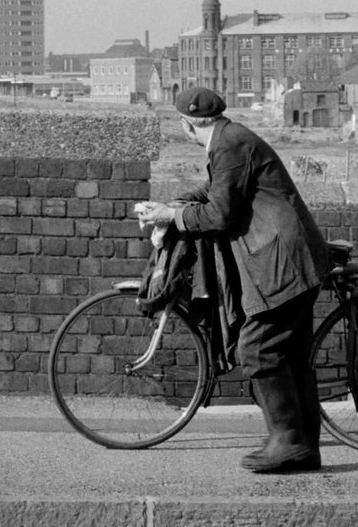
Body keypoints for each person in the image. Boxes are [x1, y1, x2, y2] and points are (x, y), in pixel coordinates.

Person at [136, 87, 329, 473]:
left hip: (281, 262)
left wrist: (171, 218)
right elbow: (216, 190)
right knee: (291, 359)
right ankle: (303, 447)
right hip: (293, 258)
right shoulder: (231, 138)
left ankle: (289, 441)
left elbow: (220, 214)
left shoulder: (229, 144)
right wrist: (175, 205)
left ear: (186, 125)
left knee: (258, 349)